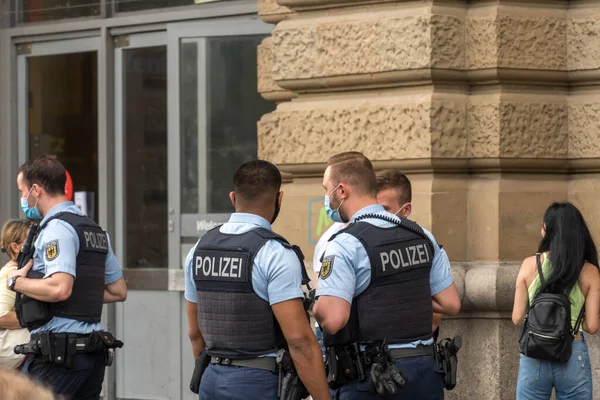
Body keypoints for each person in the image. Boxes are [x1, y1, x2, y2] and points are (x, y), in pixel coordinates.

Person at [313, 152, 461, 400]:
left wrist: (315, 306)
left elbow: (333, 320)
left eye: (326, 189)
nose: (326, 197)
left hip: (371, 380)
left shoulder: (344, 244)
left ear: (342, 191)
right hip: (424, 374)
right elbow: (451, 304)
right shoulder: (422, 235)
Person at [184, 159, 331, 400]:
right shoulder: (274, 253)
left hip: (211, 378)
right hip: (256, 383)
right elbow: (299, 341)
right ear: (279, 199)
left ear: (233, 198)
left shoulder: (199, 249)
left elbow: (194, 333)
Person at [6, 155, 127, 399]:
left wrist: (16, 281)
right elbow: (117, 291)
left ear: (36, 190)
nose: (22, 199)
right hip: (90, 356)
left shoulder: (56, 230)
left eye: (22, 191)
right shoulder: (95, 230)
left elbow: (60, 289)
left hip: (59, 359)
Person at [512, 202, 600, 400]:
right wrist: (576, 317)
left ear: (547, 230)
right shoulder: (590, 272)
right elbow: (592, 326)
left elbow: (517, 317)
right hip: (572, 350)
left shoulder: (529, 265)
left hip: (534, 354)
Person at [374, 169, 446, 339]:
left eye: (385, 209)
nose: (377, 216)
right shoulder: (365, 244)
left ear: (405, 210)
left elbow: (441, 308)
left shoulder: (426, 243)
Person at [0, 220, 31, 369]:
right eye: (31, 238)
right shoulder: (9, 273)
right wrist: (36, 319)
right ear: (15, 247)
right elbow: (1, 315)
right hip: (14, 355)